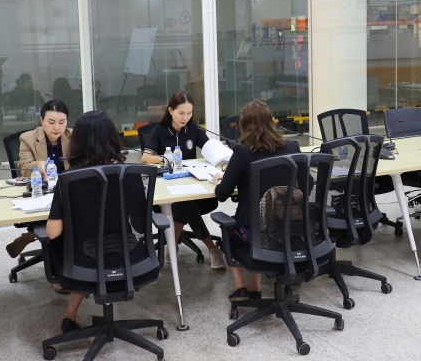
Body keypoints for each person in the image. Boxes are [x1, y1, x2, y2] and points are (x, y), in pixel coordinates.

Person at [46, 110, 148, 333]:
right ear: (113, 138)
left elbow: (52, 232)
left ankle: (70, 314)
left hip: (82, 264)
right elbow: (140, 226)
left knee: (72, 242)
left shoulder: (69, 180)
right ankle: (71, 314)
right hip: (127, 258)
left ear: (77, 142)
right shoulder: (130, 174)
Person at [211, 100, 302, 302]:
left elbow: (222, 194)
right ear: (272, 121)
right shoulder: (293, 147)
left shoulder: (242, 152)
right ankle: (255, 285)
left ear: (244, 125)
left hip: (256, 235)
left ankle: (242, 289)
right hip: (293, 229)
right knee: (259, 221)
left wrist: (220, 180)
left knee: (230, 232)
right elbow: (307, 186)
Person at [140, 91, 225, 269]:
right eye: (181, 113)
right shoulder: (159, 131)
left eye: (189, 113)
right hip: (168, 189)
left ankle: (173, 244)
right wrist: (166, 158)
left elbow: (209, 149)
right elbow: (145, 158)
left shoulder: (194, 129)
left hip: (193, 184)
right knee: (187, 203)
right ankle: (212, 248)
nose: (185, 118)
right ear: (171, 111)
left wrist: (221, 153)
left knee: (187, 202)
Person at [5, 100, 72, 259]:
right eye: (51, 122)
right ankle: (57, 264)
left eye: (62, 122)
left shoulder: (74, 136)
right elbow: (25, 168)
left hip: (68, 189)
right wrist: (38, 165)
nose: (57, 127)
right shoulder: (27, 138)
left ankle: (31, 235)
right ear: (42, 120)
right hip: (43, 191)